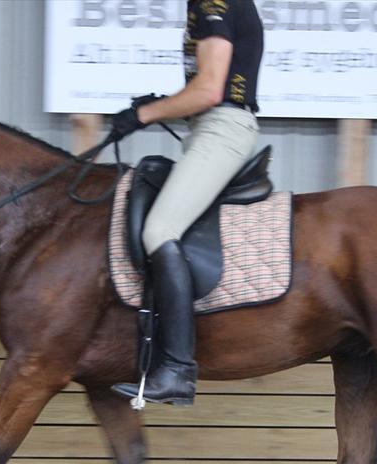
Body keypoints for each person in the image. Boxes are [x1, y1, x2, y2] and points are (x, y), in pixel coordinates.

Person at [110, 0, 264, 406]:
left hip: (223, 128)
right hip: (209, 128)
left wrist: (143, 114)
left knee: (160, 229)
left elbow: (210, 88)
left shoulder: (214, 3)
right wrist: (160, 104)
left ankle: (178, 369)